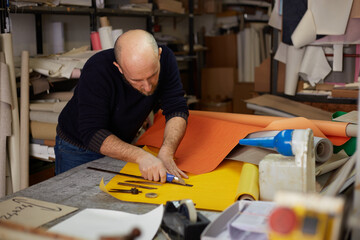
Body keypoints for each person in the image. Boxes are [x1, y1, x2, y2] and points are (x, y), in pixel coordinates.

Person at [55, 29, 189, 183]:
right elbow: (92, 133)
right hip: (77, 148)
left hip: (121, 144)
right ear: (119, 67)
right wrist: (142, 157)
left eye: (152, 75)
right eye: (136, 80)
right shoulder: (97, 69)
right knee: (75, 201)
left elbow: (176, 108)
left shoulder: (166, 59)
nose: (147, 87)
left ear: (158, 55)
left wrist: (167, 151)